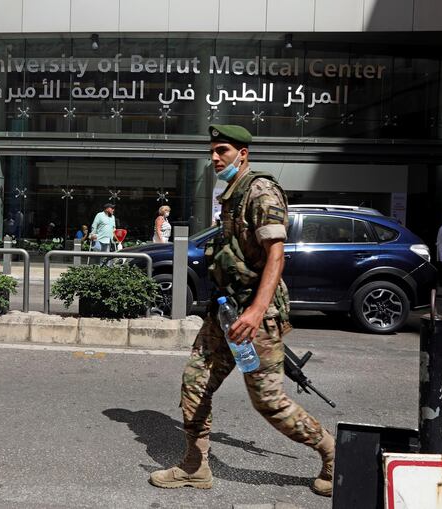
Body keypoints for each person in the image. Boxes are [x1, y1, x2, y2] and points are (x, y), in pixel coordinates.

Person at [148, 125, 335, 498]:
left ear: (243, 153)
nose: (215, 158)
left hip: (255, 317)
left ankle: (333, 454)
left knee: (268, 401)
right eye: (213, 151)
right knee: (195, 381)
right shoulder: (231, 194)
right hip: (226, 311)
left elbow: (276, 256)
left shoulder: (261, 191)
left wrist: (255, 312)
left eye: (223, 150)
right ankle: (195, 466)